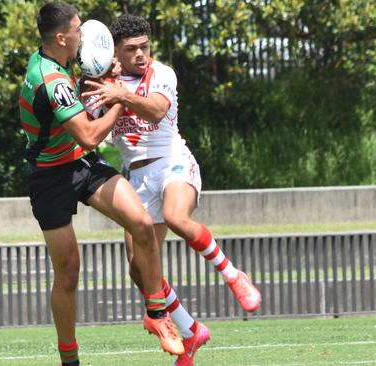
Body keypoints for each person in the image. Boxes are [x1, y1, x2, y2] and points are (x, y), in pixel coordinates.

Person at [82, 14, 262, 365]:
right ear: (115, 51)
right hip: (135, 178)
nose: (140, 55)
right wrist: (104, 94)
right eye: (131, 49)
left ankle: (233, 275)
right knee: (139, 270)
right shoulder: (102, 83)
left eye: (144, 47)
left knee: (176, 216)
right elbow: (93, 133)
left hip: (172, 162)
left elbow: (157, 110)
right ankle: (191, 331)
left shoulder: (161, 73)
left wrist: (120, 93)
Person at [20, 4, 183, 365]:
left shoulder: (59, 59)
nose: (84, 34)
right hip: (50, 175)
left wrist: (102, 81)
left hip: (80, 162)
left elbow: (83, 136)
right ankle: (69, 358)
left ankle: (158, 316)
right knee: (68, 271)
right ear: (62, 37)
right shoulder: (52, 81)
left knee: (141, 223)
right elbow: (93, 135)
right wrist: (118, 100)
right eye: (78, 29)